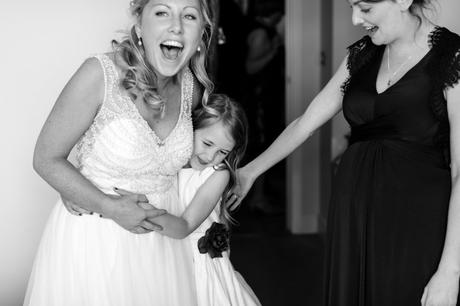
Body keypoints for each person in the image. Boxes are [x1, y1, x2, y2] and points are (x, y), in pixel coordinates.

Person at [229, 0, 460, 305]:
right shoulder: (362, 55)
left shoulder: (451, 56)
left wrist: (449, 272)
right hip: (353, 218)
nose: (354, 19)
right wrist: (249, 171)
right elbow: (305, 124)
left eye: (364, 8)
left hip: (415, 225)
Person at [24, 0, 214, 305]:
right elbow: (45, 158)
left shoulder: (193, 90)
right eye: (162, 12)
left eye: (189, 16)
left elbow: (197, 163)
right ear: (140, 26)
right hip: (95, 243)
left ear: (202, 33)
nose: (176, 26)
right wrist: (107, 205)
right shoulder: (100, 74)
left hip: (163, 250)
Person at [117, 94, 261, 305]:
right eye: (207, 143)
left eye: (222, 152)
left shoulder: (218, 175)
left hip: (200, 268)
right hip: (167, 259)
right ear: (191, 128)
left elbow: (184, 226)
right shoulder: (169, 162)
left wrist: (140, 209)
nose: (211, 156)